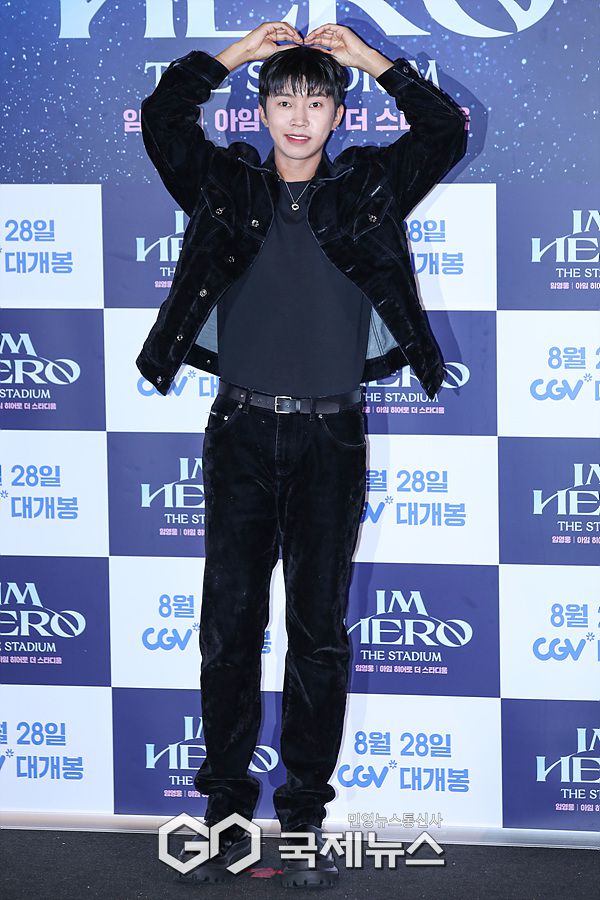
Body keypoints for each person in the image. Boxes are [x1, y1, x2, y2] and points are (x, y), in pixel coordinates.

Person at [136, 20, 467, 888]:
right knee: (229, 631)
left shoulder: (369, 188)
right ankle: (225, 819)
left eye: (315, 101)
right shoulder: (224, 185)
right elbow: (164, 117)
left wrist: (372, 60)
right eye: (282, 100)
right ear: (260, 108)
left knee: (317, 635)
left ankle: (304, 821)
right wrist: (236, 53)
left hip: (331, 438)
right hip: (240, 433)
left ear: (337, 114)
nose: (297, 117)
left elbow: (443, 130)